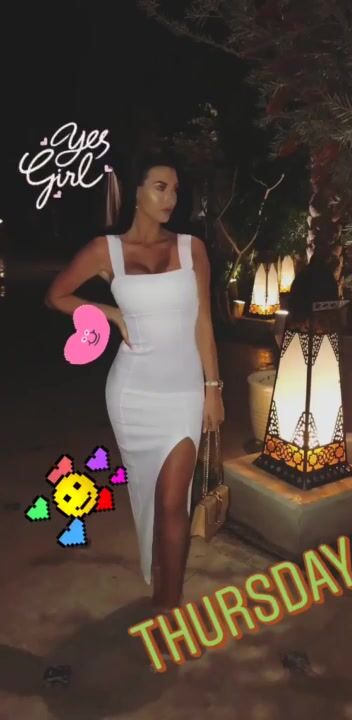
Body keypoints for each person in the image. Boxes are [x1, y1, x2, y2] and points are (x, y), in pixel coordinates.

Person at [45, 150, 225, 620]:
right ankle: (161, 584)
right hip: (131, 392)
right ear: (136, 192)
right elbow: (57, 295)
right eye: (160, 187)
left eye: (175, 190)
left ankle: (167, 605)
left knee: (173, 502)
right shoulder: (107, 250)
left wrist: (213, 387)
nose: (170, 198)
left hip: (184, 391)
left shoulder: (191, 248)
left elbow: (204, 322)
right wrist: (107, 311)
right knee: (149, 495)